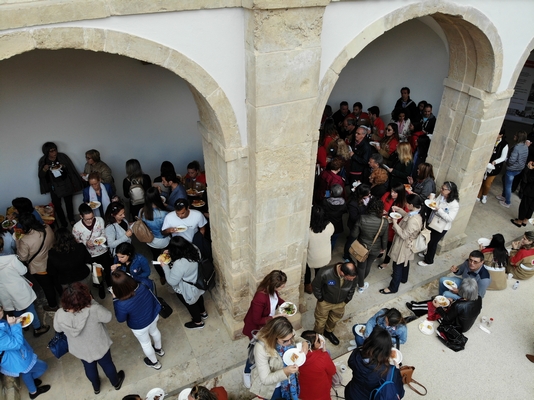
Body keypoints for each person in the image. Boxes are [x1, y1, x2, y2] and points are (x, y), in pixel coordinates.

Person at [53, 282, 125, 394]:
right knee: (107, 364)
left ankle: (96, 387)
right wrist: (93, 302)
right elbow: (108, 317)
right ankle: (116, 383)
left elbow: (57, 329)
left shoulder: (59, 313)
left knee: (89, 367)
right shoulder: (94, 309)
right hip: (99, 345)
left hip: (80, 348)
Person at [242, 270, 287, 387]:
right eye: (281, 286)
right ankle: (247, 371)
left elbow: (276, 299)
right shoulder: (260, 297)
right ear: (273, 285)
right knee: (255, 352)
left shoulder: (272, 290)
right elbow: (257, 320)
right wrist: (275, 317)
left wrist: (286, 305)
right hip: (257, 329)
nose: (283, 287)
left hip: (267, 325)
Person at [111, 270, 164, 370]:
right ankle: (159, 350)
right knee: (154, 331)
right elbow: (149, 283)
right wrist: (130, 276)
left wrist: (114, 299)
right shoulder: (144, 284)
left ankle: (155, 363)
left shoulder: (121, 303)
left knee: (146, 344)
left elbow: (121, 319)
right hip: (153, 314)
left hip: (139, 326)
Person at [249, 317, 308, 400]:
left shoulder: (287, 331)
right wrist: (285, 371)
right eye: (285, 341)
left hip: (290, 380)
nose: (290, 342)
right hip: (274, 387)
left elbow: (296, 338)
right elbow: (265, 379)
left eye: (291, 338)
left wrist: (305, 342)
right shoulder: (261, 348)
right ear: (274, 337)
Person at [0, 306, 51, 399]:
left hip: (16, 357)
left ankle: (33, 389)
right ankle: (33, 389)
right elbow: (16, 343)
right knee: (43, 366)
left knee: (26, 371)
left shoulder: (1, 321)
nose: (1, 311)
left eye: (0, 308)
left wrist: (14, 322)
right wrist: (14, 325)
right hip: (16, 359)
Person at [345, 326, 404, 400]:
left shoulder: (356, 353)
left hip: (351, 393)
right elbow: (400, 393)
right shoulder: (390, 371)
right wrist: (396, 370)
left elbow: (350, 363)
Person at [380, 194, 424, 294]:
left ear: (411, 205)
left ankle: (393, 288)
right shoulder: (417, 212)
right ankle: (403, 278)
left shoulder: (413, 220)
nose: (406, 204)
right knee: (405, 261)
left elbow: (404, 235)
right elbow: (408, 215)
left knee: (397, 265)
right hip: (406, 244)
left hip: (404, 245)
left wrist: (395, 223)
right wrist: (399, 210)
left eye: (407, 203)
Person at [161, 236, 207, 329]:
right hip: (198, 281)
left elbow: (172, 281)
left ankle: (198, 323)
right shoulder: (194, 248)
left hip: (188, 287)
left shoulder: (180, 264)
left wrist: (164, 266)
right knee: (199, 296)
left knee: (191, 304)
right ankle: (203, 313)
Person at [0, 251, 50, 337]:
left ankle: (23, 326)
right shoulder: (11, 259)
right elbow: (23, 271)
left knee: (15, 309)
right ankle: (37, 328)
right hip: (18, 288)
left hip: (3, 292)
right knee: (29, 307)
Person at [16, 213, 57, 312]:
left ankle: (53, 306)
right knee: (56, 281)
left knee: (47, 287)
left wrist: (18, 242)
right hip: (52, 260)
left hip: (39, 267)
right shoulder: (47, 227)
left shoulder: (25, 240)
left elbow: (22, 257)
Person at [38, 141, 84, 227]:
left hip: (66, 183)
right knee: (57, 205)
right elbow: (41, 176)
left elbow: (71, 169)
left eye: (55, 150)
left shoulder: (62, 156)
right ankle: (63, 222)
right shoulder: (43, 160)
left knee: (69, 203)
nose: (54, 153)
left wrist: (64, 166)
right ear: (46, 152)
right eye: (51, 151)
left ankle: (71, 219)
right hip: (53, 186)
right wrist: (44, 169)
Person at [72, 203, 113, 298]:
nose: (90, 220)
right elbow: (76, 241)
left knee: (107, 269)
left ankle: (110, 285)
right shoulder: (76, 227)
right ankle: (100, 287)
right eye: (87, 219)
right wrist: (85, 242)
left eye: (92, 218)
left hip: (102, 250)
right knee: (96, 273)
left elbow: (104, 232)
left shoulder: (100, 220)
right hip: (90, 254)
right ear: (81, 216)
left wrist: (102, 238)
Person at [312, 262, 357, 345]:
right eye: (349, 279)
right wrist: (320, 298)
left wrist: (347, 299)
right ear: (342, 273)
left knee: (334, 319)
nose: (351, 280)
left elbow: (352, 288)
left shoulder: (353, 275)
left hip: (341, 303)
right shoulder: (325, 272)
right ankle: (317, 336)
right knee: (320, 321)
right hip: (325, 302)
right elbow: (316, 286)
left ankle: (328, 332)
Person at [350, 198, 388, 293]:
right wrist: (383, 248)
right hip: (375, 249)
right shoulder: (384, 222)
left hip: (362, 247)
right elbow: (384, 239)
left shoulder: (362, 218)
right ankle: (360, 283)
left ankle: (360, 285)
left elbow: (354, 234)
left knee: (361, 266)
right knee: (368, 265)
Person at [419, 181, 459, 266]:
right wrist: (431, 200)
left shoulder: (454, 204)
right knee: (428, 238)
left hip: (441, 226)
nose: (441, 190)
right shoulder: (441, 196)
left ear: (449, 191)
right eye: (441, 188)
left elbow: (450, 218)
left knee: (433, 243)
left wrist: (439, 210)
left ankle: (428, 260)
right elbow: (435, 203)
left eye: (443, 189)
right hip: (433, 220)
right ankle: (426, 253)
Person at [140, 187, 171, 283]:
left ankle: (162, 276)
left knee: (156, 257)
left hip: (151, 240)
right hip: (165, 240)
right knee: (167, 257)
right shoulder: (165, 213)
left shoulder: (142, 212)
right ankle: (168, 273)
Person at [298, 330, 336, 400]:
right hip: (320, 392)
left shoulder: (296, 354)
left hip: (303, 390)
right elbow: (332, 371)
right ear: (312, 345)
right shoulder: (322, 357)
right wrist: (325, 352)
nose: (321, 341)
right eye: (318, 340)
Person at [304, 205, 334, 294]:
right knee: (319, 272)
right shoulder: (329, 225)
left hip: (311, 257)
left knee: (307, 270)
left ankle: (308, 285)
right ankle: (318, 285)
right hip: (324, 255)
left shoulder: (307, 231)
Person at [378, 184, 408, 270]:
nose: (392, 194)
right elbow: (380, 204)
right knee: (380, 241)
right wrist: (382, 211)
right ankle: (379, 254)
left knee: (389, 245)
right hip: (383, 223)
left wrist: (394, 219)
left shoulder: (404, 203)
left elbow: (406, 217)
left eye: (395, 192)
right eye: (392, 191)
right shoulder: (387, 195)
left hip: (393, 228)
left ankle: (386, 261)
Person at [497, 131, 528, 208]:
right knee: (504, 179)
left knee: (508, 186)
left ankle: (507, 202)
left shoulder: (516, 147)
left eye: (516, 135)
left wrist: (506, 160)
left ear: (518, 137)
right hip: (519, 169)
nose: (514, 136)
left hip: (512, 169)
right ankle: (504, 195)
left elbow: (511, 160)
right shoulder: (525, 146)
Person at [476, 127, 508, 204]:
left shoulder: (504, 144)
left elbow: (503, 157)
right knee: (482, 181)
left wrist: (495, 162)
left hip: (494, 167)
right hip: (486, 164)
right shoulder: (491, 140)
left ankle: (484, 195)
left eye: (498, 133)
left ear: (501, 135)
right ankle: (478, 195)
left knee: (487, 183)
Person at [343, 184, 371, 260]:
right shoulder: (353, 204)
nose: (369, 195)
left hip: (361, 224)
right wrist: (366, 214)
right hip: (355, 225)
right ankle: (346, 255)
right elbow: (354, 217)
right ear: (362, 194)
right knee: (351, 241)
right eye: (368, 193)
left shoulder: (365, 200)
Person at [322, 183, 347, 251]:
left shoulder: (326, 202)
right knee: (333, 241)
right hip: (337, 225)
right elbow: (344, 211)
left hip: (327, 224)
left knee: (325, 240)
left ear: (331, 192)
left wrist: (327, 192)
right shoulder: (343, 202)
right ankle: (330, 251)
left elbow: (325, 200)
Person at [511, 160, 534, 227]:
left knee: (524, 205)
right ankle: (525, 220)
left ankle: (519, 221)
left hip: (530, 190)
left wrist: (529, 169)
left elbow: (529, 179)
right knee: (531, 206)